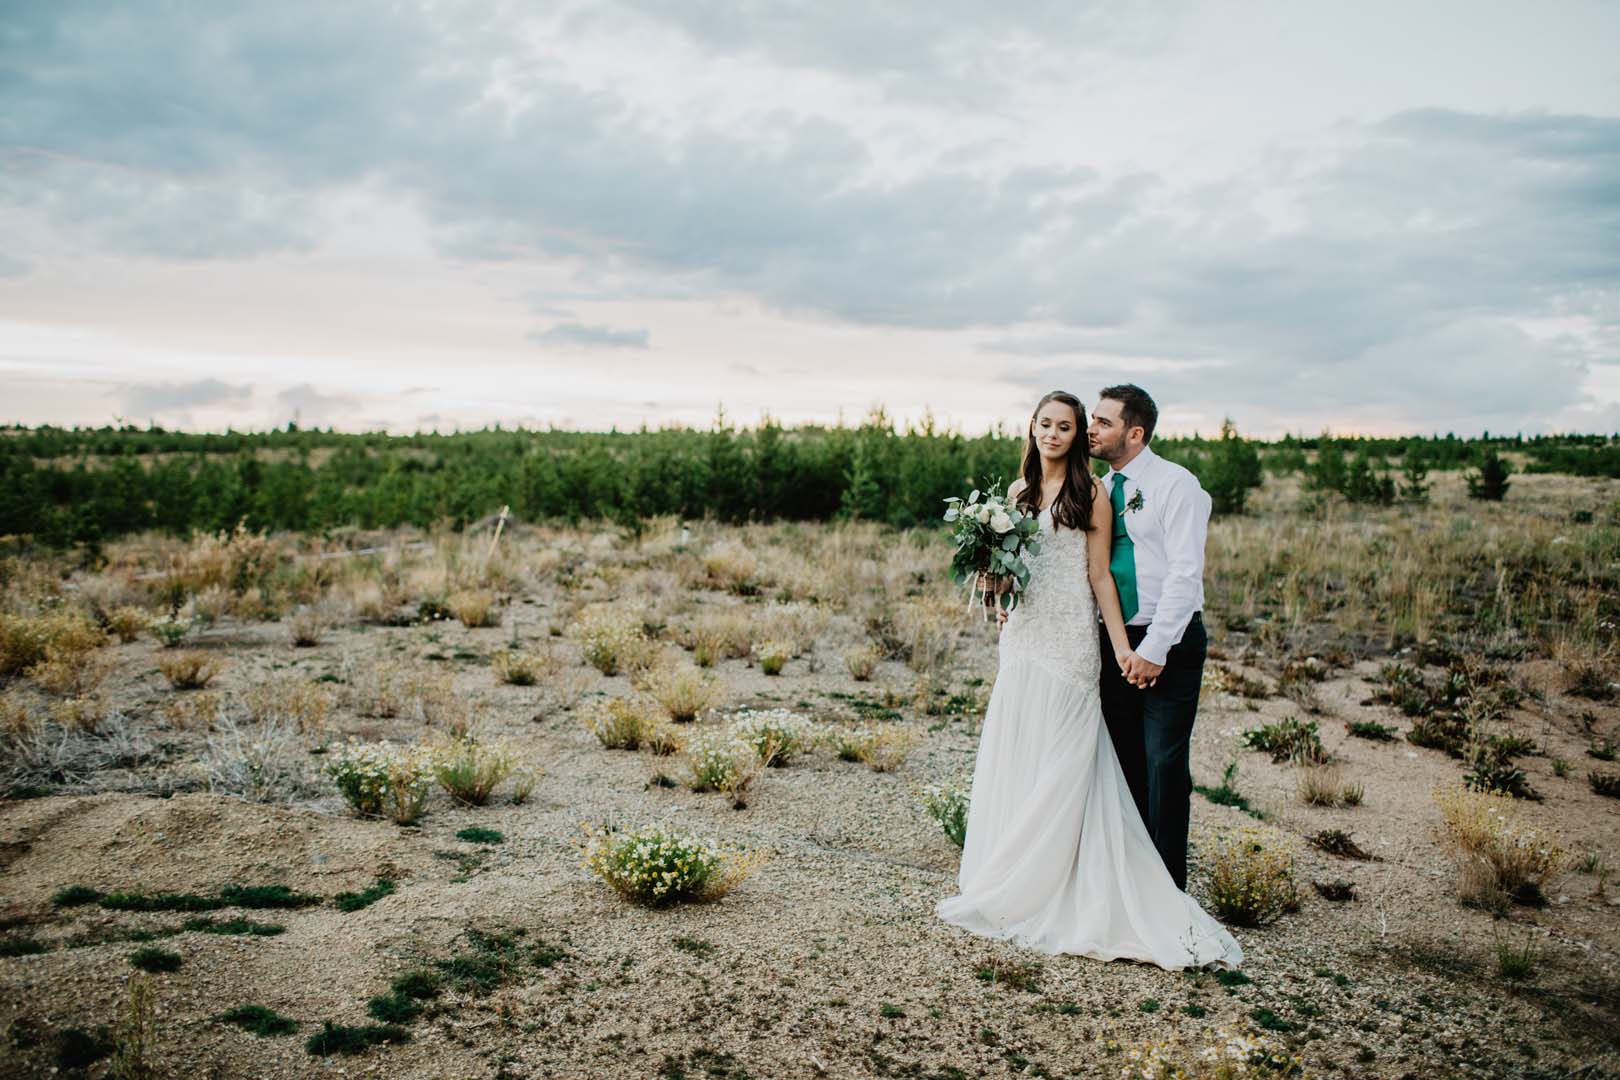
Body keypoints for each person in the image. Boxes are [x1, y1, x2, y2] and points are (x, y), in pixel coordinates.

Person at [935, 390, 1241, 971]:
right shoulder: (1023, 493)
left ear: (1130, 432)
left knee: (1148, 763)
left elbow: (1127, 576)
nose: (1071, 432)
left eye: (1085, 424)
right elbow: (1019, 570)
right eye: (1050, 423)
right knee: (1072, 756)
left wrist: (1134, 648)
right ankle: (1030, 870)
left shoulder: (1130, 490)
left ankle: (1157, 886)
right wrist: (1000, 594)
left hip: (1114, 641)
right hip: (1036, 638)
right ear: (1032, 428)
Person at [1088, 383, 1209, 893]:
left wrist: (1154, 651)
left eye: (1104, 422)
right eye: (1092, 419)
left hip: (1168, 640)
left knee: (1163, 762)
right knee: (1121, 760)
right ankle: (1127, 878)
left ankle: (1166, 889)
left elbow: (1186, 576)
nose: (1092, 429)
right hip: (1111, 637)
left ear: (1135, 433)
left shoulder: (1177, 486)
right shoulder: (1098, 487)